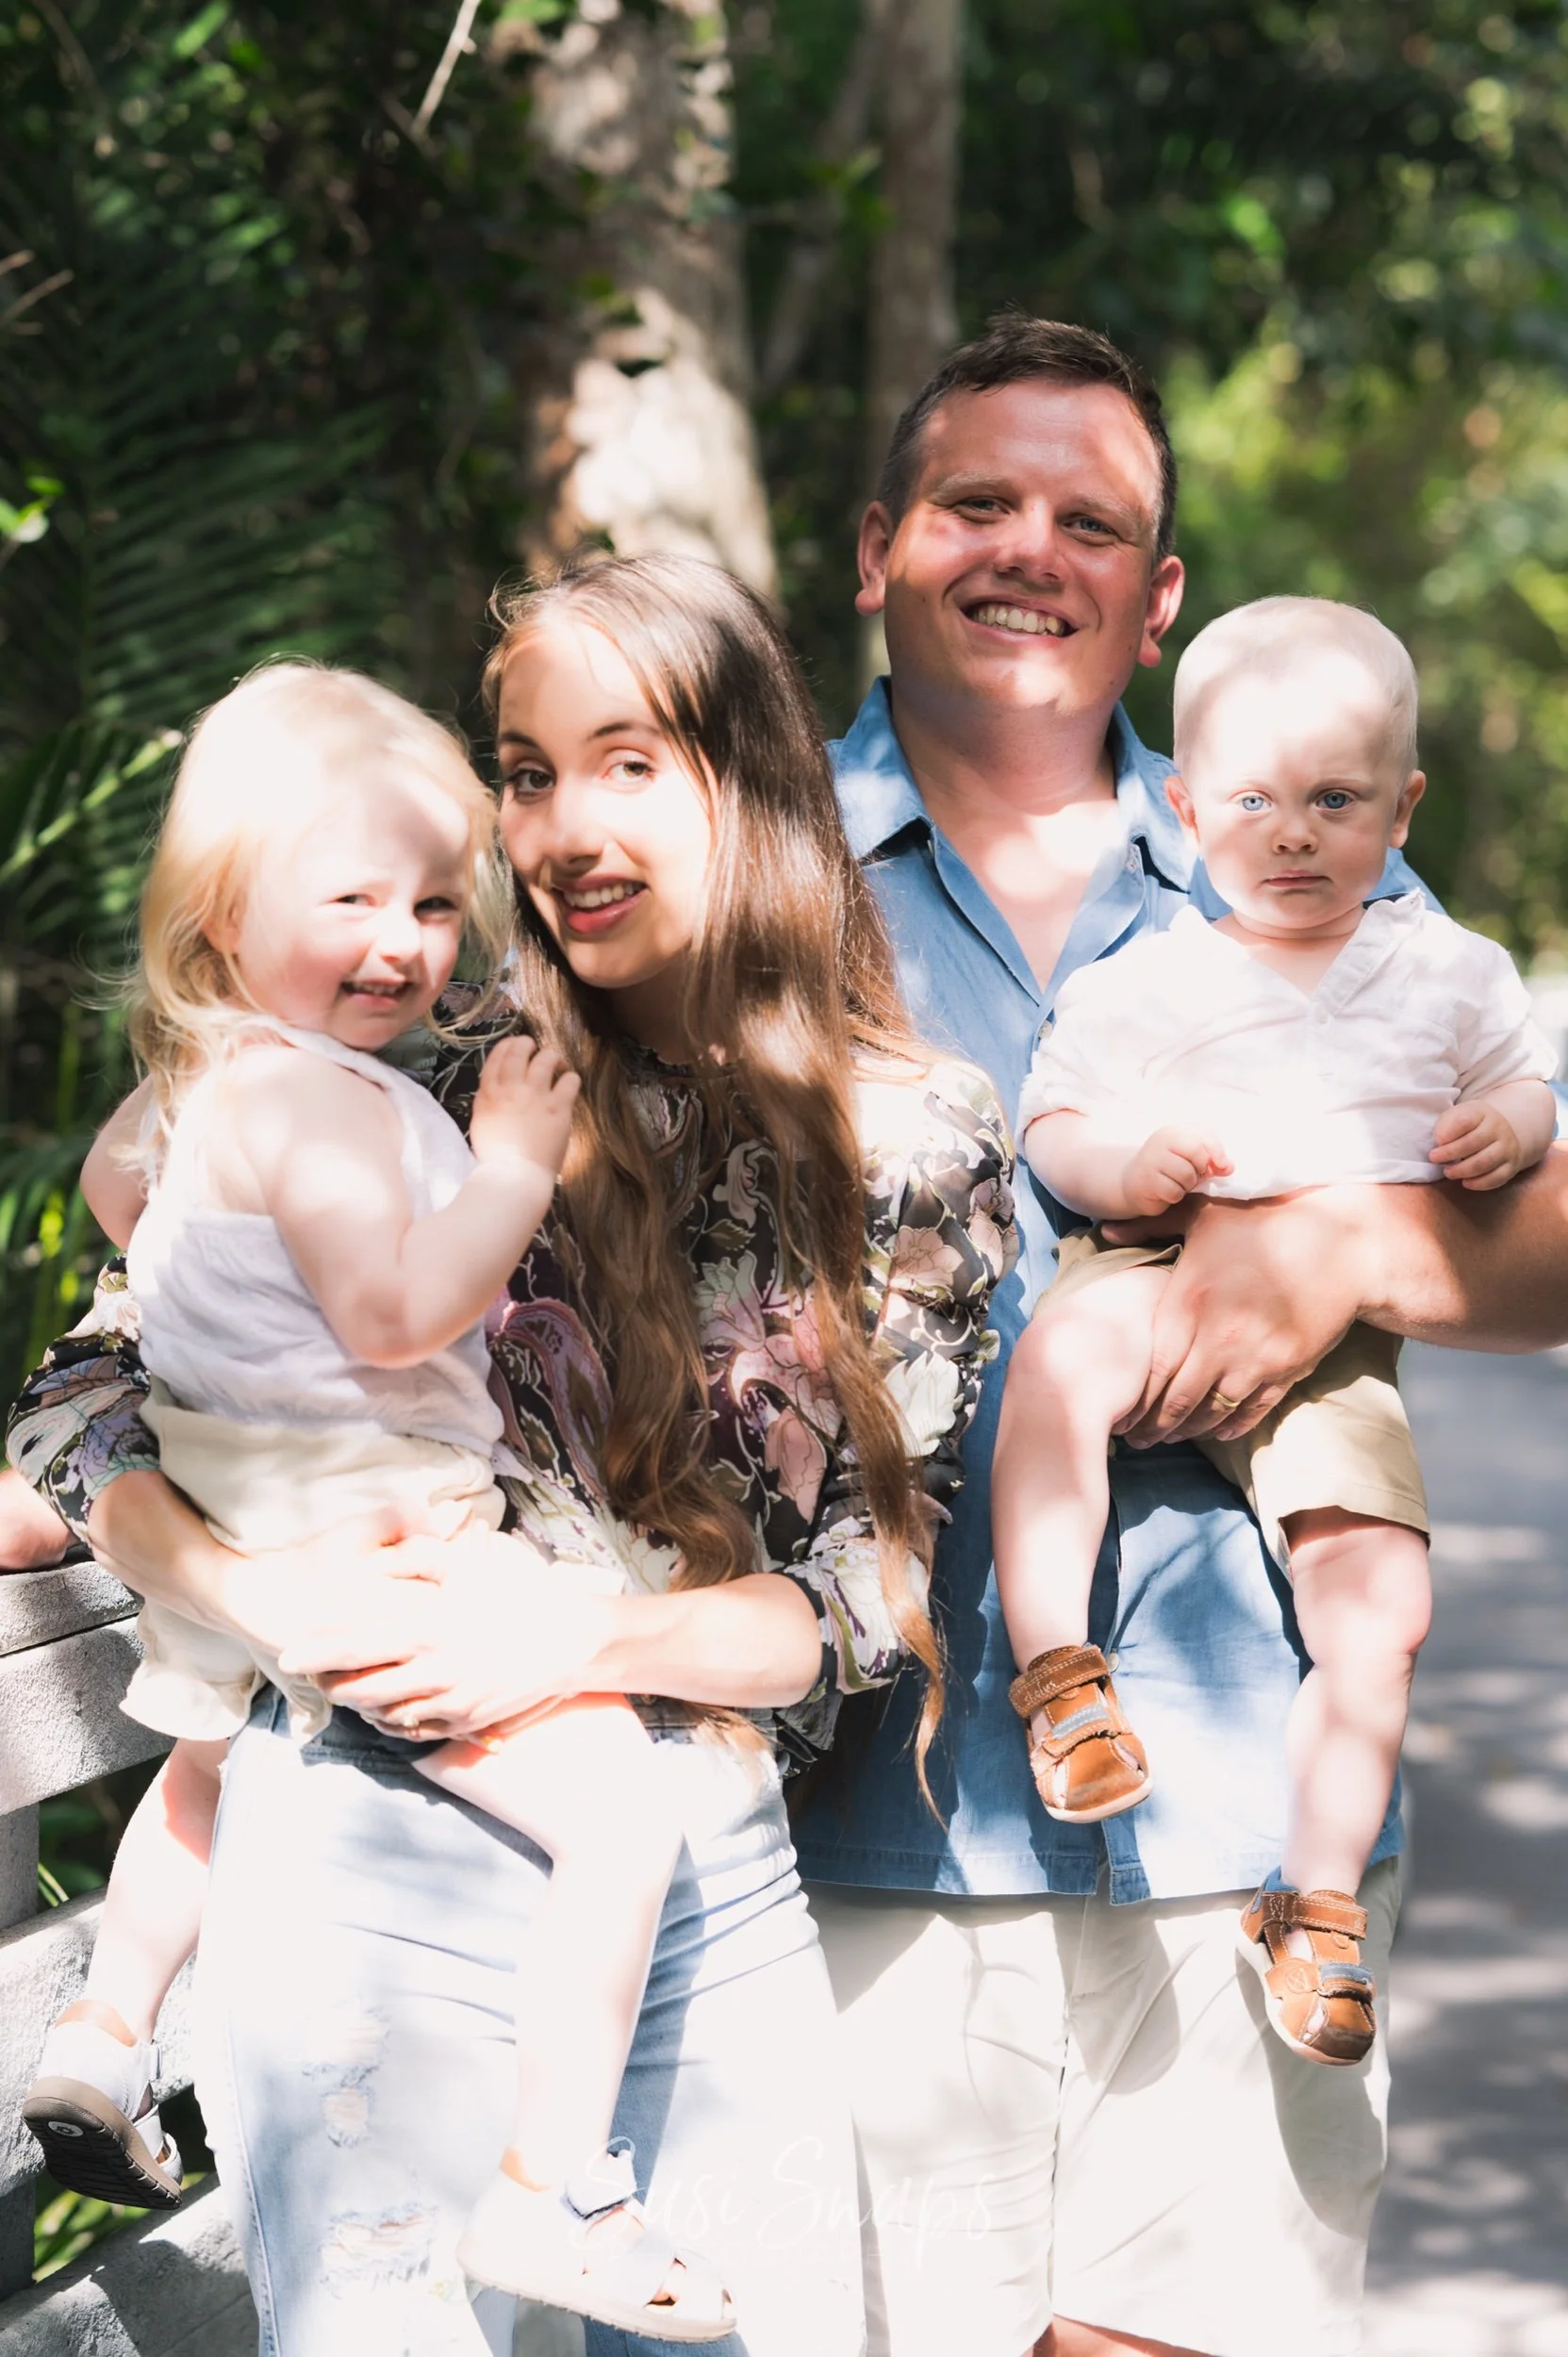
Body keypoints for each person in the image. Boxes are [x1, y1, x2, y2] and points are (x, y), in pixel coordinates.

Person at [7, 553, 1014, 2357]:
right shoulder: (404, 1068)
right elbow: (86, 1395)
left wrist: (585, 1643)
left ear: (751, 779)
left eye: (625, 760)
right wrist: (247, 1588)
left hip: (690, 1859)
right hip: (362, 1837)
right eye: (528, 772)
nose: (561, 824)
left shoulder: (909, 1137)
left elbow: (873, 1590)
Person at [788, 315, 1568, 2357]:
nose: (1029, 547)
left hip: (1243, 1797)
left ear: (1161, 593)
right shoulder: (753, 869)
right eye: (977, 502)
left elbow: (1550, 1252)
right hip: (868, 1783)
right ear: (878, 546)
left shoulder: (1299, 833)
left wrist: (1331, 1251)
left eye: (1092, 517)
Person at [20, 661, 743, 2338]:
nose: (403, 942)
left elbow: (122, 1193)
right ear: (220, 910)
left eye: (431, 900)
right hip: (376, 1531)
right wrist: (502, 1161)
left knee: (201, 1770)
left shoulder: (218, 1085)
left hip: (257, 1503)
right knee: (624, 1823)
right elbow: (399, 1316)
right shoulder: (328, 1102)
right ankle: (554, 2186)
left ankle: (107, 2028)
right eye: (348, 896)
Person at [992, 596, 1556, 2069]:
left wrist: (1505, 1122)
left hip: (1337, 1342)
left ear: (1400, 807)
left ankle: (1311, 1901)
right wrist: (1127, 1169)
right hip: (1148, 1260)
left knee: (1382, 1611)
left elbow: (1523, 1089)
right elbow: (1051, 1125)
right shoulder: (1148, 982)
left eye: (1334, 800)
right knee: (1054, 1367)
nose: (1293, 834)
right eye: (1252, 801)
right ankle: (1059, 1673)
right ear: (1184, 808)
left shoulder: (1448, 974)